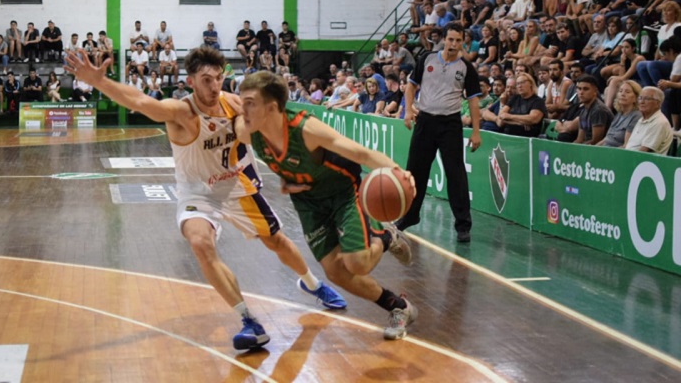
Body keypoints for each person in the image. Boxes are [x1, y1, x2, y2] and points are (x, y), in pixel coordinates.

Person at [65, 46, 347, 351]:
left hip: (236, 185)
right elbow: (140, 101)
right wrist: (99, 82)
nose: (214, 86)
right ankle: (248, 320)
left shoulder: (236, 104)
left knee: (276, 240)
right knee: (200, 242)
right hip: (198, 193)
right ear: (191, 81)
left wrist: (288, 169)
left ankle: (312, 283)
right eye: (206, 80)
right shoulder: (181, 112)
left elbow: (270, 134)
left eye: (217, 78)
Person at [237, 71, 417, 340]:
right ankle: (398, 306)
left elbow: (361, 153)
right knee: (335, 272)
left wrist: (400, 172)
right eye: (242, 102)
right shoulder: (247, 131)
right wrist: (288, 180)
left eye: (250, 103)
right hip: (308, 202)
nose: (243, 110)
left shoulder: (306, 129)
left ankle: (385, 235)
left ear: (272, 107)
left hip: (343, 192)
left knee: (357, 263)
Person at [398, 22, 482, 243]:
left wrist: (476, 132)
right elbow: (411, 85)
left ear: (463, 41)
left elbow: (473, 101)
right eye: (450, 39)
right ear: (444, 39)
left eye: (458, 40)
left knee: (456, 174)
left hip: (450, 124)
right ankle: (410, 215)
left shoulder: (466, 67)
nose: (454, 44)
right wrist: (408, 110)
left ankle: (463, 225)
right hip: (424, 120)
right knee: (415, 171)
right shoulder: (427, 58)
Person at [625, 86, 674, 154]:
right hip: (630, 159)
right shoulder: (641, 119)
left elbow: (644, 152)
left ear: (658, 103)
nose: (642, 102)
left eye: (647, 99)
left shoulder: (659, 122)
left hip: (641, 162)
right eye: (640, 98)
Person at [498, 73, 548, 137]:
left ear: (530, 83)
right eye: (518, 84)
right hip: (508, 135)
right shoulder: (515, 98)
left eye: (522, 82)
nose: (519, 86)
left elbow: (533, 119)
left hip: (527, 138)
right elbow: (501, 116)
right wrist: (520, 122)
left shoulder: (538, 101)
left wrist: (509, 117)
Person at [573, 75, 614, 145]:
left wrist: (577, 149)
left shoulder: (598, 110)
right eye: (579, 89)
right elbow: (579, 139)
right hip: (585, 147)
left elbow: (595, 141)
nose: (581, 92)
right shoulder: (583, 109)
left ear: (595, 91)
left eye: (585, 89)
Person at [600, 80, 642, 148]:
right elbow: (607, 139)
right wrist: (593, 148)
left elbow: (626, 146)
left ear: (635, 98)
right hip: (605, 149)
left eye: (627, 92)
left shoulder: (636, 116)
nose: (622, 94)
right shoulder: (619, 114)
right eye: (620, 91)